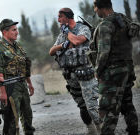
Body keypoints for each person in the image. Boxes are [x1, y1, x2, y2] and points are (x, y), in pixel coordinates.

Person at [89, 0, 139, 134]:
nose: (95, 11)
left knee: (107, 109)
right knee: (126, 102)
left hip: (112, 73)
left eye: (95, 8)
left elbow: (104, 52)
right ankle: (133, 130)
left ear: (101, 7)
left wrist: (97, 71)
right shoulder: (122, 18)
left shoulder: (106, 25)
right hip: (127, 68)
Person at [49, 8, 100, 135]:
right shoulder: (62, 35)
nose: (58, 19)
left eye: (60, 16)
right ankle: (91, 129)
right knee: (82, 105)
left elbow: (77, 41)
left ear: (68, 17)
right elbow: (51, 51)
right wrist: (63, 45)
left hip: (85, 73)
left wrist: (68, 33)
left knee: (92, 105)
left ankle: (103, 130)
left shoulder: (82, 28)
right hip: (71, 75)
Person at [0, 19, 35, 135]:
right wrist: (3, 92)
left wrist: (29, 83)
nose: (17, 32)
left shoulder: (18, 46)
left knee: (27, 115)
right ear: (5, 32)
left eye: (16, 29)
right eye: (13, 30)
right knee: (11, 120)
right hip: (10, 88)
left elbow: (24, 65)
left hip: (22, 85)